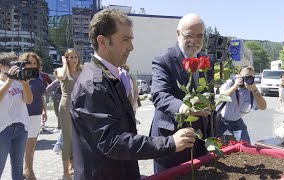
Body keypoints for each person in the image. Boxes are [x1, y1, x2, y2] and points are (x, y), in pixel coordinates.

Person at [70, 9, 196, 180]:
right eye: (125, 40)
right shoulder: (93, 85)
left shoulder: (107, 77)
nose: (131, 47)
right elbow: (113, 142)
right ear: (102, 41)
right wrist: (169, 143)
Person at [150, 13, 214, 173]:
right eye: (190, 35)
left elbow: (209, 99)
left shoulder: (206, 61)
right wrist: (186, 108)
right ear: (178, 34)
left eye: (200, 36)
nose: (195, 41)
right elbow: (159, 95)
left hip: (200, 142)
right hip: (171, 141)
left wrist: (212, 137)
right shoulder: (163, 60)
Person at [0, 52, 33, 180]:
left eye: (19, 65)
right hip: (2, 129)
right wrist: (9, 80)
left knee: (18, 167)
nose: (17, 68)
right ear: (1, 67)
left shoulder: (20, 82)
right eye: (12, 65)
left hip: (20, 128)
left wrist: (25, 84)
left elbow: (29, 100)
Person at [218, 66, 267, 144]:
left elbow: (263, 107)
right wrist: (235, 87)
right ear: (239, 76)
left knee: (246, 146)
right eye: (246, 77)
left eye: (251, 77)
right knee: (221, 147)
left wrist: (255, 90)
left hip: (237, 122)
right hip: (222, 122)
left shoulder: (252, 90)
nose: (248, 79)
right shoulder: (230, 83)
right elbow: (220, 98)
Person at [55, 48, 82, 180]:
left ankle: (75, 167)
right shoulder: (61, 70)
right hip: (66, 106)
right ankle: (66, 172)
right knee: (68, 139)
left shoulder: (82, 71)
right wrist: (64, 63)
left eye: (75, 56)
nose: (73, 59)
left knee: (79, 138)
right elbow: (62, 77)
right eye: (70, 57)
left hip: (81, 106)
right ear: (66, 58)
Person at [20, 52, 47, 180]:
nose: (32, 65)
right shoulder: (20, 77)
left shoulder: (38, 77)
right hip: (25, 115)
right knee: (28, 146)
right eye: (29, 62)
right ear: (23, 63)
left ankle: (27, 170)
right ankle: (29, 172)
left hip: (37, 114)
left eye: (35, 63)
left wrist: (45, 111)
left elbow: (41, 95)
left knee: (32, 146)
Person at [39, 62, 53, 132]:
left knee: (43, 109)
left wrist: (47, 90)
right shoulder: (31, 75)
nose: (39, 68)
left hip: (43, 94)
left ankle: (43, 125)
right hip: (35, 95)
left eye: (40, 66)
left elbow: (51, 83)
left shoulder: (44, 75)